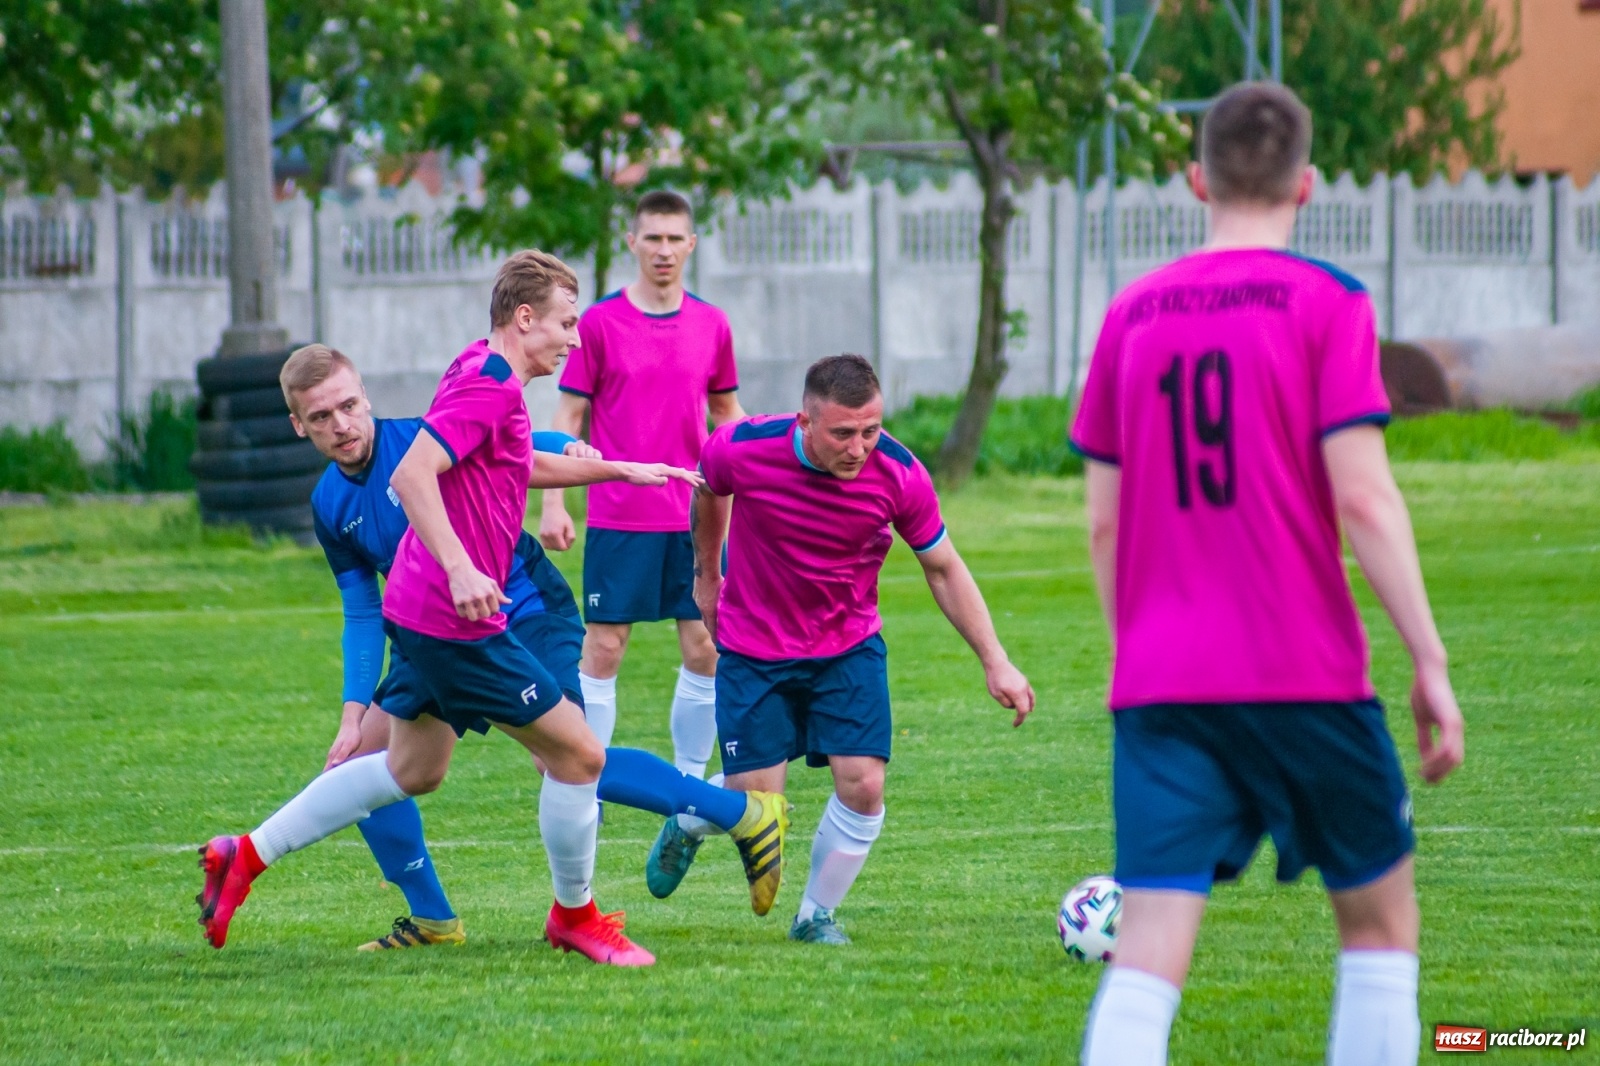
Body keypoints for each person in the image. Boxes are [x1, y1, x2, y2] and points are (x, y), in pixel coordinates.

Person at [1068, 82, 1466, 1066]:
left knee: (1148, 951)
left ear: (1196, 179)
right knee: (1376, 932)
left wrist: (1142, 654)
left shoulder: (1128, 314)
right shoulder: (1329, 303)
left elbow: (1104, 522)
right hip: (1304, 675)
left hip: (1162, 683)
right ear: (1308, 185)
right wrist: (1429, 660)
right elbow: (1366, 500)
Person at [196, 251, 724, 967]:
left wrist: (618, 468)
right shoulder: (490, 383)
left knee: (412, 769)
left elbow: (513, 462)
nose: (575, 338)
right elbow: (416, 476)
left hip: (424, 614)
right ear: (526, 317)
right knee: (577, 754)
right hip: (453, 618)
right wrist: (462, 567)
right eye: (567, 323)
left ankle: (245, 855)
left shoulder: (483, 368)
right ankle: (579, 916)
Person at [276, 344, 788, 951]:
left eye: (349, 405)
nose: (341, 425)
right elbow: (361, 610)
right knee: (358, 759)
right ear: (298, 425)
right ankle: (433, 920)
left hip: (524, 606)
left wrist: (564, 445)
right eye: (322, 418)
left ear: (366, 395)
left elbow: (509, 435)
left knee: (565, 759)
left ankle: (741, 815)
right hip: (441, 627)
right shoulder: (329, 505)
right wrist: (351, 711)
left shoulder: (415, 440)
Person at [648, 353, 1036, 945]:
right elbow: (710, 492)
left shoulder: (901, 476)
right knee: (754, 803)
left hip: (847, 646)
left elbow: (944, 570)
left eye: (871, 431)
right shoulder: (743, 448)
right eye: (844, 433)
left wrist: (995, 659)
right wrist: (707, 577)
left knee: (864, 784)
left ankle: (815, 916)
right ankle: (688, 822)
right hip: (755, 647)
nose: (860, 447)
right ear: (805, 421)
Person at [540, 190, 742, 781]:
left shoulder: (712, 323)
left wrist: (760, 482)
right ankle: (587, 780)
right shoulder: (598, 323)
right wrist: (554, 504)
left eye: (675, 238)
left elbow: (728, 416)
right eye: (652, 237)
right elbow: (567, 420)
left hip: (695, 514)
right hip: (617, 513)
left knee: (706, 647)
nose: (663, 249)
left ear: (692, 245)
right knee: (603, 649)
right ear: (632, 242)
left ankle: (688, 781)